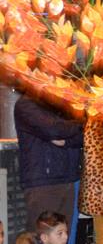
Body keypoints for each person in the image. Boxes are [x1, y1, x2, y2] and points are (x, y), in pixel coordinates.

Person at [14, 95, 83, 235]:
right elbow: (54, 130)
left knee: (63, 242)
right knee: (41, 242)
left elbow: (85, 136)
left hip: (68, 180)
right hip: (43, 182)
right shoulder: (27, 104)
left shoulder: (64, 103)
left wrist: (67, 140)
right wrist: (82, 122)